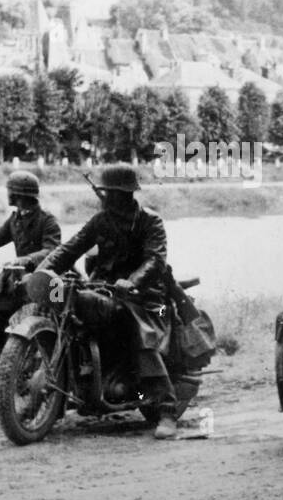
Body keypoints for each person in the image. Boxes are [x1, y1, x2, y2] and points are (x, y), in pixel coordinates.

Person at [35, 165, 180, 439]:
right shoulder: (101, 221)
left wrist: (133, 281)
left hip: (145, 297)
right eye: (107, 193)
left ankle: (167, 411)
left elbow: (155, 260)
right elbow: (70, 248)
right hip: (104, 289)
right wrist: (42, 272)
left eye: (115, 193)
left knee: (142, 336)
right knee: (70, 305)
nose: (110, 199)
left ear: (128, 194)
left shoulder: (150, 222)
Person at [0, 170, 61, 271]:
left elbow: (51, 251)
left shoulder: (47, 220)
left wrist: (25, 260)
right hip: (24, 274)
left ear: (18, 195)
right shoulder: (15, 219)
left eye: (9, 190)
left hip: (45, 276)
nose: (7, 194)